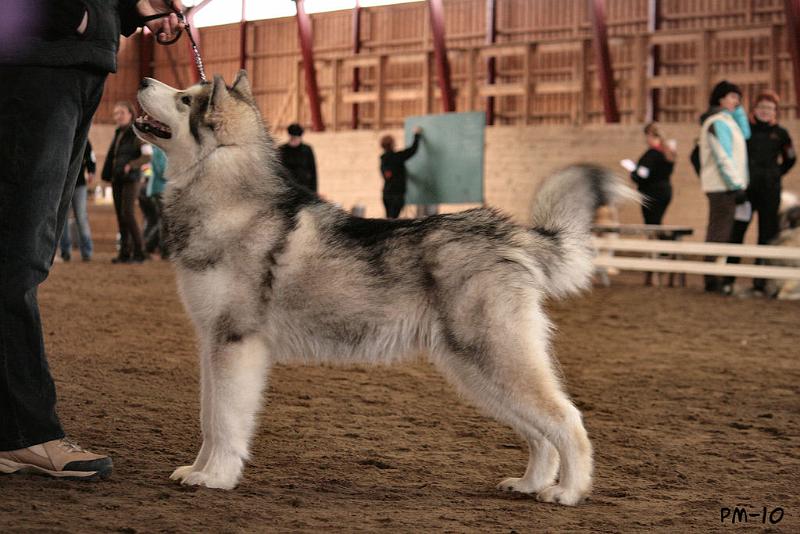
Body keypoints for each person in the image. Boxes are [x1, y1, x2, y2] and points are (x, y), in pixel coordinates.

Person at [0, 0, 184, 480]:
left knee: (28, 254)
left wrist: (132, 10)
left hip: (78, 62)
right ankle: (23, 433)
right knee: (16, 257)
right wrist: (69, 15)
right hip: (38, 64)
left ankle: (11, 431)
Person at [724, 91, 796, 296]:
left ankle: (761, 281)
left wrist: (775, 174)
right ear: (755, 110)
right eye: (762, 108)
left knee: (767, 234)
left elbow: (790, 159)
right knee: (737, 231)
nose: (766, 112)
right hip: (745, 191)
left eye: (770, 109)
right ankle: (727, 278)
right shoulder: (744, 132)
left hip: (770, 191)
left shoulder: (781, 134)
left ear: (775, 112)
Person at [697, 80, 751, 294]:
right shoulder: (717, 122)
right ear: (720, 98)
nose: (736, 102)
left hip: (727, 186)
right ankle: (712, 278)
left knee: (723, 230)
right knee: (719, 231)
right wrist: (736, 185)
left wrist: (738, 111)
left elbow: (746, 134)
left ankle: (715, 275)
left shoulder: (728, 122)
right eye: (732, 97)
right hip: (723, 187)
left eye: (738, 99)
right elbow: (723, 156)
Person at [101, 100, 152, 264]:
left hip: (132, 179)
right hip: (117, 179)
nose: (118, 116)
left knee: (128, 214)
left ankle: (140, 252)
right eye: (116, 113)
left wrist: (131, 165)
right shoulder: (119, 133)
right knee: (121, 217)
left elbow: (147, 155)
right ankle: (125, 253)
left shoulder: (137, 133)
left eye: (122, 112)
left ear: (130, 114)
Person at [629, 123, 676, 225]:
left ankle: (665, 240)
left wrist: (633, 171)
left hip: (652, 193)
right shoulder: (667, 152)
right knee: (657, 222)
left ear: (650, 135)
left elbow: (643, 174)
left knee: (651, 224)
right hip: (665, 191)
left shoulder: (651, 155)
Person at [58, 139, 96, 262]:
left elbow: (91, 156)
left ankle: (87, 251)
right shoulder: (60, 137)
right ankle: (65, 252)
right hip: (61, 185)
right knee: (62, 219)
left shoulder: (83, 138)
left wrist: (91, 171)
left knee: (81, 217)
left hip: (79, 184)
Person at [380, 127, 423, 219]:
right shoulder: (397, 157)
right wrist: (417, 135)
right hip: (397, 195)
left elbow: (387, 175)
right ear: (392, 144)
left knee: (388, 219)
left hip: (386, 194)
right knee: (393, 221)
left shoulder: (383, 160)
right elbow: (413, 150)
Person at [144, 144, 169, 258]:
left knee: (158, 221)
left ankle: (149, 245)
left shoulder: (157, 150)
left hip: (158, 189)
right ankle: (160, 248)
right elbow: (161, 171)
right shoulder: (158, 151)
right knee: (163, 221)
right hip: (159, 189)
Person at [278, 123, 317, 193]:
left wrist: (314, 191)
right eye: (292, 138)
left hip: (304, 187)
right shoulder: (282, 150)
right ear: (289, 137)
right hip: (288, 188)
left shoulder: (307, 149)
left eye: (296, 138)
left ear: (300, 137)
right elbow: (279, 171)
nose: (294, 140)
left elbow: (313, 170)